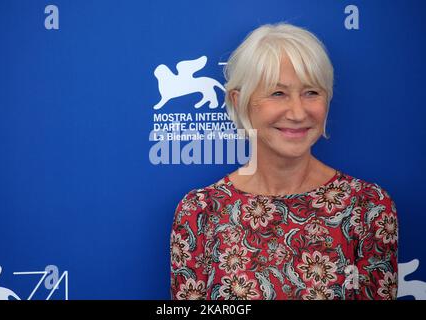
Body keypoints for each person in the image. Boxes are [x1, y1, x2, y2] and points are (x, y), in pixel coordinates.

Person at [170, 22, 398, 300]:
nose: (298, 112)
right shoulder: (200, 213)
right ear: (239, 101)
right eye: (278, 93)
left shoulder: (367, 207)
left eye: (311, 92)